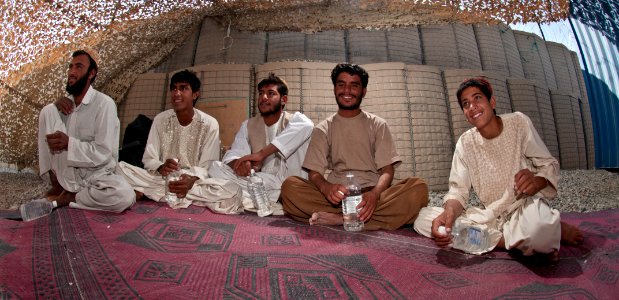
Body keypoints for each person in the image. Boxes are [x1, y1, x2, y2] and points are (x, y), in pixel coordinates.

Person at [413, 77, 583, 260]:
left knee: (539, 231)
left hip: (523, 208)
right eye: (466, 103)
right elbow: (458, 190)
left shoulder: (518, 123)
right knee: (425, 220)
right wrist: (449, 213)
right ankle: (519, 239)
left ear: (491, 101)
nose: (472, 106)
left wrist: (537, 180)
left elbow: (548, 164)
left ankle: (522, 235)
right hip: (490, 215)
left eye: (477, 98)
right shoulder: (465, 143)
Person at [280, 63, 429, 230]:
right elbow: (314, 173)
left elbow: (387, 170)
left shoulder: (378, 124)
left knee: (418, 187)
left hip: (371, 197)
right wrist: (326, 188)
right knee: (289, 187)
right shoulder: (323, 128)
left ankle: (340, 219)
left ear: (363, 91)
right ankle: (359, 218)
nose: (347, 91)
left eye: (354, 86)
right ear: (334, 89)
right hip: (336, 198)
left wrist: (374, 194)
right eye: (341, 84)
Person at [117, 70, 242, 213]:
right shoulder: (160, 120)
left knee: (232, 190)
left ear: (195, 94)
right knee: (120, 168)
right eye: (174, 89)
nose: (177, 93)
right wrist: (161, 166)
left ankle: (150, 192)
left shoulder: (209, 124)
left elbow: (208, 165)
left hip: (193, 183)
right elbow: (149, 159)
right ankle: (167, 193)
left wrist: (190, 179)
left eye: (183, 88)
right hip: (164, 180)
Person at [37, 49, 134, 212]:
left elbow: (103, 153)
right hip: (67, 173)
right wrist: (55, 105)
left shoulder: (104, 104)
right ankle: (57, 186)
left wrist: (69, 143)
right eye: (71, 67)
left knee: (124, 196)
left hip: (97, 175)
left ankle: (72, 198)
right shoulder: (63, 105)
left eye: (78, 67)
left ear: (91, 73)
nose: (72, 72)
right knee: (47, 110)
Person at [208, 73, 314, 214]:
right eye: (261, 93)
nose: (263, 98)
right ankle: (272, 198)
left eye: (270, 94)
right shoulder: (249, 125)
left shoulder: (296, 120)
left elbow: (308, 125)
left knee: (302, 137)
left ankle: (256, 196)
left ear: (283, 100)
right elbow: (235, 153)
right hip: (263, 182)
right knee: (215, 167)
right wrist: (240, 164)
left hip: (291, 182)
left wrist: (260, 154)